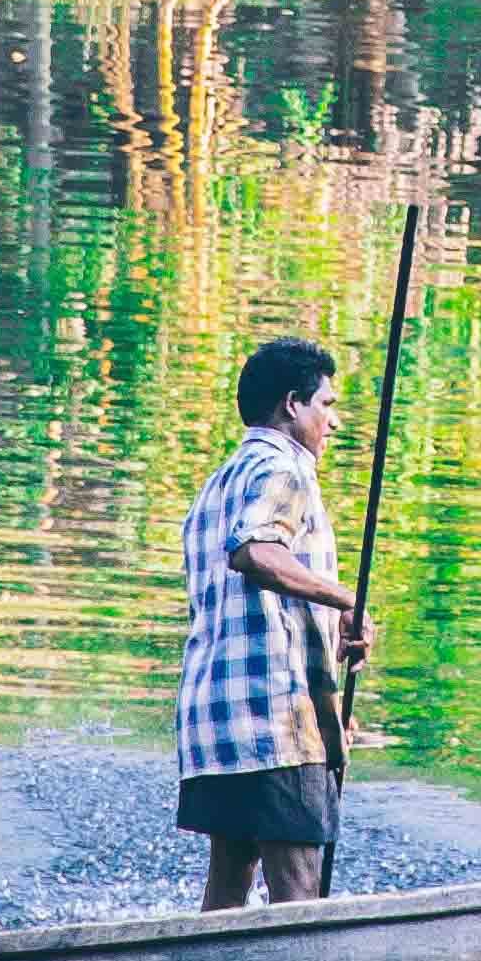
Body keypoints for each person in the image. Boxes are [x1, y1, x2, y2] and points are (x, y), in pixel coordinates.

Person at [175, 337, 364, 909]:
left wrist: (333, 639)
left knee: (225, 899)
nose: (332, 423)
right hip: (275, 722)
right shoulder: (287, 470)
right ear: (291, 405)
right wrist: (345, 598)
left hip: (214, 724)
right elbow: (254, 552)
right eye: (325, 405)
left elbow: (255, 604)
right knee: (299, 896)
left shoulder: (218, 482)